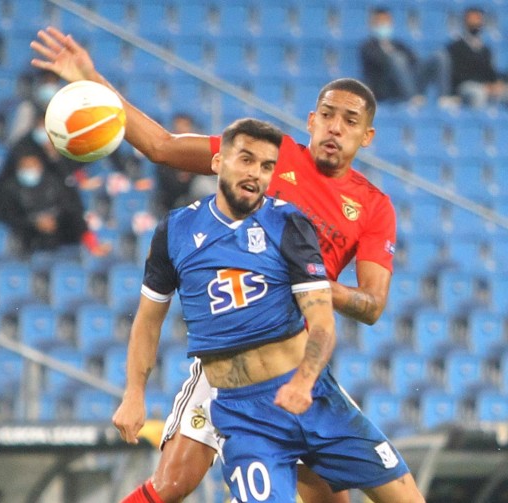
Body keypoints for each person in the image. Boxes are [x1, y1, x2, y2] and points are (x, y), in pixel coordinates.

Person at [30, 27, 421, 503]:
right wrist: (91, 81)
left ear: (367, 135)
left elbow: (372, 305)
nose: (336, 127)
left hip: (292, 353)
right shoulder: (265, 158)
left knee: (333, 495)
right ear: (311, 120)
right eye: (327, 116)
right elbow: (162, 146)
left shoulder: (374, 207)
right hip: (229, 354)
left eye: (350, 120)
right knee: (175, 481)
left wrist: (304, 281)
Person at [113, 117, 422, 503]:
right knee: (174, 482)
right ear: (217, 162)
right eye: (245, 160)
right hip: (243, 414)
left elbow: (323, 321)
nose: (255, 174)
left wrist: (304, 381)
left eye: (265, 167)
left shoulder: (289, 224)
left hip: (311, 396)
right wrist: (134, 393)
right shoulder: (175, 231)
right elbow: (148, 320)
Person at [0, 151, 109, 256]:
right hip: (27, 242)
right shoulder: (11, 190)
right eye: (25, 167)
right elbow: (8, 216)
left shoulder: (54, 184)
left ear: (40, 166)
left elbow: (72, 211)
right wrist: (34, 222)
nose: (29, 170)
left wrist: (93, 245)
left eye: (32, 166)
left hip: (60, 240)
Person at [360, 6, 451, 105]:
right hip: (388, 87)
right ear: (373, 23)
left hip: (410, 81)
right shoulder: (368, 46)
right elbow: (380, 63)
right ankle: (412, 99)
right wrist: (395, 58)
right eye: (380, 21)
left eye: (386, 21)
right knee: (396, 58)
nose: (384, 24)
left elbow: (414, 61)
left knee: (439, 56)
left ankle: (444, 98)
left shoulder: (398, 44)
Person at [446, 6, 508, 108]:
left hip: (487, 86)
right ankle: (479, 121)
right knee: (478, 94)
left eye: (478, 19)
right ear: (466, 21)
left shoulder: (485, 49)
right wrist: (485, 86)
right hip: (466, 86)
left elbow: (490, 73)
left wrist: (497, 83)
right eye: (473, 19)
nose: (476, 23)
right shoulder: (456, 47)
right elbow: (457, 75)